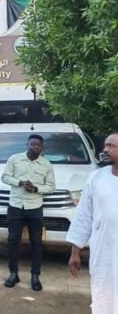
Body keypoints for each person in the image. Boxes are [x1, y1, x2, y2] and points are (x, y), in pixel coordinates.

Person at [66, 133, 118, 313]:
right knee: (103, 299)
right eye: (105, 145)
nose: (105, 149)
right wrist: (75, 252)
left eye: (111, 146)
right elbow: (84, 216)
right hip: (104, 254)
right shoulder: (96, 178)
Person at [1, 133, 55, 292]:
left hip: (35, 207)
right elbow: (5, 177)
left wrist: (36, 189)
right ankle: (13, 274)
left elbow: (51, 187)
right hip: (16, 206)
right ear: (27, 145)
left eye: (38, 145)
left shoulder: (46, 164)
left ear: (42, 147)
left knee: (36, 243)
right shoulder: (14, 159)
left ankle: (35, 276)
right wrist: (20, 182)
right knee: (13, 241)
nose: (35, 147)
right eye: (32, 144)